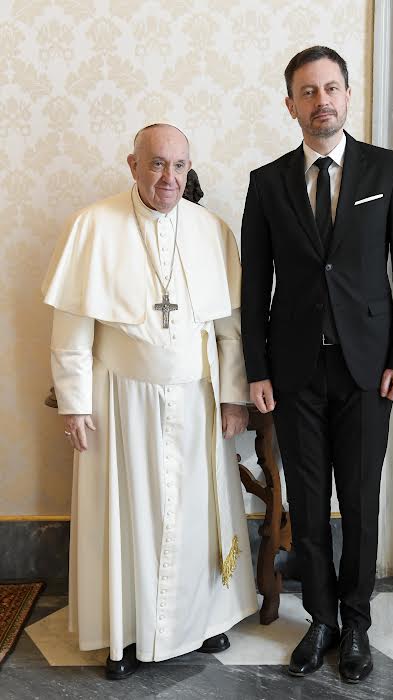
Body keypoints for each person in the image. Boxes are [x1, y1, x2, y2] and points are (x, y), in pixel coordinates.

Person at [42, 123, 258, 680]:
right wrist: (74, 403)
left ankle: (203, 619)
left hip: (198, 403)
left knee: (197, 517)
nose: (169, 178)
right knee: (129, 521)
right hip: (121, 405)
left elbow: (230, 330)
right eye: (157, 163)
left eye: (179, 166)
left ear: (189, 169)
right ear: (133, 165)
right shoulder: (93, 226)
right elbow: (72, 331)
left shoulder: (211, 231)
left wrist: (234, 398)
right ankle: (126, 634)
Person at [240, 46, 393, 683]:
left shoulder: (387, 169)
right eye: (308, 91)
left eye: (331, 88)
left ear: (347, 95)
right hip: (294, 373)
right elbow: (253, 285)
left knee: (361, 500)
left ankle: (356, 622)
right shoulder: (267, 183)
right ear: (290, 105)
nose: (321, 100)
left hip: (368, 371)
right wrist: (257, 368)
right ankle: (319, 619)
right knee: (309, 500)